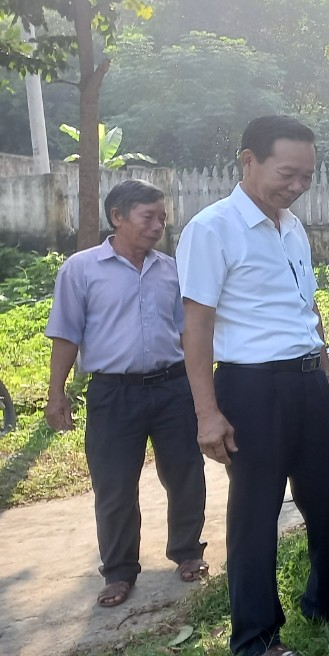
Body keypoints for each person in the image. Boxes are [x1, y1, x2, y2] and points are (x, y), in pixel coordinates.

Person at [177, 115, 329, 656]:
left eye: (306, 176)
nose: (296, 186)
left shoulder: (291, 226)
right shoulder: (212, 229)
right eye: (286, 173)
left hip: (308, 384)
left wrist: (324, 372)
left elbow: (305, 308)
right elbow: (196, 327)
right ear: (248, 161)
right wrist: (207, 413)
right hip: (251, 389)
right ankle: (255, 638)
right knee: (255, 515)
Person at [45, 179, 208, 609]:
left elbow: (189, 332)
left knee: (185, 472)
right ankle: (118, 572)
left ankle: (188, 551)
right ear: (117, 217)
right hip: (113, 394)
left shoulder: (171, 269)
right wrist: (55, 393)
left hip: (174, 387)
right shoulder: (80, 270)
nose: (159, 226)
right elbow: (65, 334)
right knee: (114, 485)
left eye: (163, 218)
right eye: (148, 217)